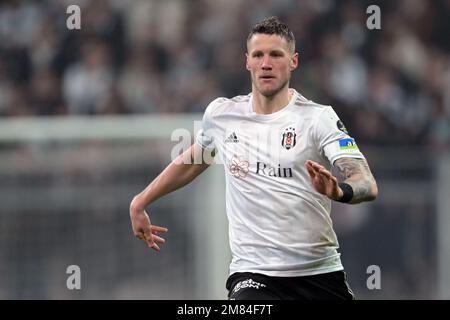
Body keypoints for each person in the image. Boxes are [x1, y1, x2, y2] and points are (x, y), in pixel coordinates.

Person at [129, 16, 378, 300]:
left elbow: (366, 184)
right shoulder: (222, 115)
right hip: (254, 274)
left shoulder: (318, 118)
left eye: (276, 55)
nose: (266, 63)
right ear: (247, 61)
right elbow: (195, 159)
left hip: (319, 273)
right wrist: (142, 200)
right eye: (258, 55)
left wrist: (339, 191)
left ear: (293, 61)